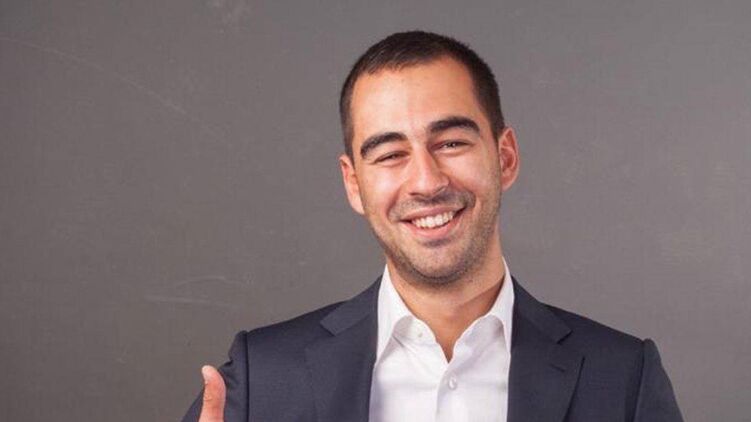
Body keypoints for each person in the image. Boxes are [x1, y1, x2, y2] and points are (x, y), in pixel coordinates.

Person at [182, 30, 683, 422]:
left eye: (451, 143)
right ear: (353, 184)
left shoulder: (623, 379)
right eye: (390, 154)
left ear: (505, 157)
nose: (425, 181)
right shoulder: (262, 377)